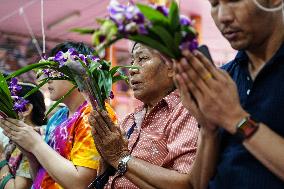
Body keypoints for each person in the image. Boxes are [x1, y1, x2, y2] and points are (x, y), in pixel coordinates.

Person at [173, 0, 284, 188]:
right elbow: (198, 184)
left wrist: (236, 119)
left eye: (234, 0)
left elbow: (234, 118)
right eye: (215, 4)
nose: (223, 16)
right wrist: (209, 130)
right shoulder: (223, 78)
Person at [89, 43, 199, 189]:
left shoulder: (185, 111)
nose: (132, 70)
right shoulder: (130, 120)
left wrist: (120, 157)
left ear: (172, 67)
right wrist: (105, 154)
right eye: (132, 62)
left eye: (142, 58)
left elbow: (186, 183)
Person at [0, 42, 107, 189]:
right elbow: (42, 175)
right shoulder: (58, 117)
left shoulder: (94, 115)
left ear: (80, 72)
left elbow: (81, 184)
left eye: (55, 69)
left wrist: (35, 144)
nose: (47, 77)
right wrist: (31, 155)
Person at [0, 83, 46, 189]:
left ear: (26, 109)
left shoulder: (33, 138)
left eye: (5, 104)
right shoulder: (15, 138)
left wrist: (1, 157)